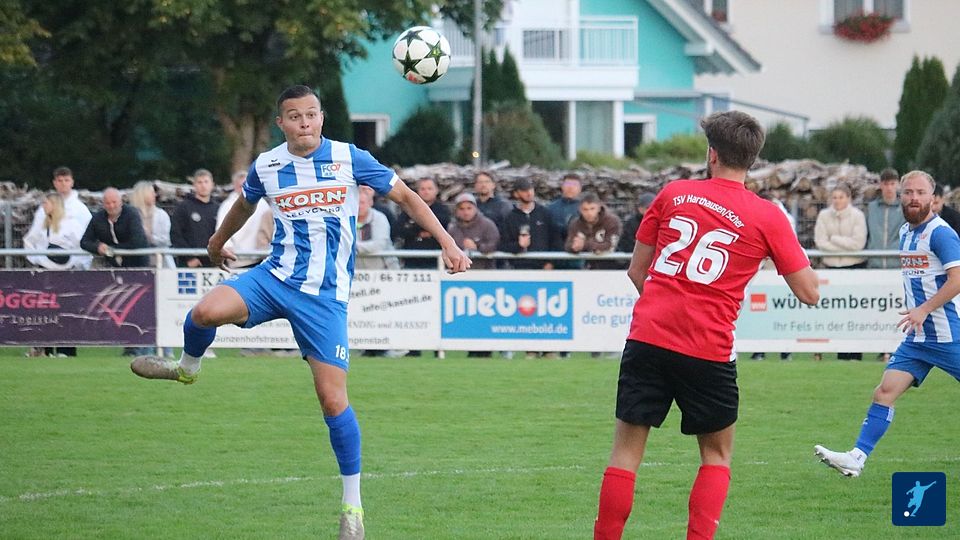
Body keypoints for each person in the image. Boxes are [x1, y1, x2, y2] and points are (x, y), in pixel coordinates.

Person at [129, 85, 470, 540]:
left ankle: (353, 507)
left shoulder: (349, 157)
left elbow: (406, 197)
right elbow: (244, 205)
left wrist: (447, 242)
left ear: (322, 118)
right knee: (204, 312)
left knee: (333, 401)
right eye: (295, 116)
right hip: (274, 278)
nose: (304, 122)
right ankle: (186, 370)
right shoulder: (268, 165)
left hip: (324, 298)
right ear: (281, 123)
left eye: (311, 114)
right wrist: (216, 241)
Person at [593, 111, 819, 540]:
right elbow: (809, 292)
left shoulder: (674, 193)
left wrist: (667, 307)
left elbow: (637, 271)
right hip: (708, 347)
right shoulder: (768, 216)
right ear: (753, 159)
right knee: (716, 456)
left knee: (625, 455)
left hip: (648, 337)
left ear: (712, 154)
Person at [814, 170, 960, 480]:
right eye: (908, 192)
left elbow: (957, 279)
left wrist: (924, 308)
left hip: (949, 336)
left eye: (920, 192)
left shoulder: (941, 234)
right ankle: (856, 458)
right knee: (884, 393)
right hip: (918, 338)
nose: (913, 198)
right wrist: (919, 311)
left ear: (932, 198)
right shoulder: (906, 232)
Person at [814, 184, 867, 360]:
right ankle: (841, 353)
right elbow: (820, 242)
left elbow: (858, 243)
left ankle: (856, 354)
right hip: (831, 268)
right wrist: (844, 245)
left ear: (848, 198)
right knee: (836, 312)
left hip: (853, 267)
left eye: (841, 197)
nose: (837, 201)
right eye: (834, 197)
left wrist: (834, 239)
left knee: (854, 312)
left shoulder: (857, 216)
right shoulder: (823, 215)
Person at [27, 166, 93, 269]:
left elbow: (87, 239)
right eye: (60, 180)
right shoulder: (43, 209)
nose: (63, 183)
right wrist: (35, 259)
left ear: (72, 182)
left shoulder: (81, 210)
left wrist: (80, 263)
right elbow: (33, 236)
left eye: (66, 180)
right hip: (45, 265)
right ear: (54, 183)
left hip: (72, 266)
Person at [216, 170, 274, 269]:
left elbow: (270, 226)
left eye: (246, 186)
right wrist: (227, 246)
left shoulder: (262, 204)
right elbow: (220, 228)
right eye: (241, 186)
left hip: (260, 256)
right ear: (235, 186)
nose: (243, 189)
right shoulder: (227, 205)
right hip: (238, 257)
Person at [80, 188, 149, 268]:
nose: (111, 206)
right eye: (107, 203)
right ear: (103, 204)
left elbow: (137, 242)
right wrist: (97, 247)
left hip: (138, 265)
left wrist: (109, 249)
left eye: (114, 202)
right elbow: (84, 242)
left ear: (121, 202)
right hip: (111, 266)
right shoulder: (98, 218)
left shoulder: (132, 214)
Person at [500, 177, 557, 270]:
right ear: (516, 194)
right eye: (524, 190)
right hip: (519, 268)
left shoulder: (545, 213)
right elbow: (503, 245)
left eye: (531, 189)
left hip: (543, 268)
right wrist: (518, 245)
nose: (529, 193)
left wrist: (550, 262)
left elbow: (555, 240)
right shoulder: (510, 218)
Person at [393, 177, 451, 269]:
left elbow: (444, 224)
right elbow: (399, 228)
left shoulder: (442, 210)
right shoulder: (408, 209)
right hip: (411, 259)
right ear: (417, 191)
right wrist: (428, 230)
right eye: (423, 189)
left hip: (435, 261)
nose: (426, 192)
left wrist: (414, 225)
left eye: (429, 189)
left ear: (436, 190)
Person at [23, 193, 87, 270]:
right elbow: (29, 240)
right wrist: (35, 259)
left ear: (54, 204)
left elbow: (82, 244)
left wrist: (75, 263)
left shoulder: (71, 223)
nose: (43, 206)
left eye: (46, 203)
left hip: (67, 270)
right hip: (44, 269)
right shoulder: (42, 223)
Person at [171, 168, 220, 268]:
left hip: (214, 263)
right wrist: (189, 258)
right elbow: (175, 234)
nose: (203, 185)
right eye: (199, 182)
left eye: (206, 182)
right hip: (190, 264)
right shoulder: (183, 207)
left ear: (212, 184)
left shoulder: (219, 209)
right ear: (194, 185)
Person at [564, 192, 622, 270]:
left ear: (598, 208)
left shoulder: (612, 222)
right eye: (585, 209)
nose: (589, 213)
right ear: (580, 209)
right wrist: (574, 247)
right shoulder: (575, 224)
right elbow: (568, 245)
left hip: (612, 266)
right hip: (586, 267)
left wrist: (585, 244)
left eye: (592, 209)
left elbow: (610, 245)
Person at [447, 192, 500, 270]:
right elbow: (447, 248)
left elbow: (495, 244)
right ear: (456, 211)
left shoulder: (488, 225)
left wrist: (477, 246)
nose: (466, 212)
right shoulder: (452, 228)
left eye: (469, 208)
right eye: (461, 209)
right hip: (459, 271)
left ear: (475, 209)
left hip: (485, 270)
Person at [129, 181, 175, 269]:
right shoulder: (131, 215)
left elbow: (167, 240)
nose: (155, 195)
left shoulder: (161, 214)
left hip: (159, 263)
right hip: (137, 262)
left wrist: (150, 237)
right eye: (151, 192)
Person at [866, 168, 905, 270]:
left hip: (898, 265)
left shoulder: (905, 209)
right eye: (886, 184)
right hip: (874, 265)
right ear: (880, 185)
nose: (889, 188)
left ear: (898, 185)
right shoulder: (871, 208)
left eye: (892, 184)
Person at [355, 186, 399, 270]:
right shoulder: (347, 220)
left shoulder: (380, 218)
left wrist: (354, 247)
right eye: (356, 203)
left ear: (370, 202)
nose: (359, 206)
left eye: (362, 203)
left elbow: (379, 245)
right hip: (357, 272)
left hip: (384, 270)